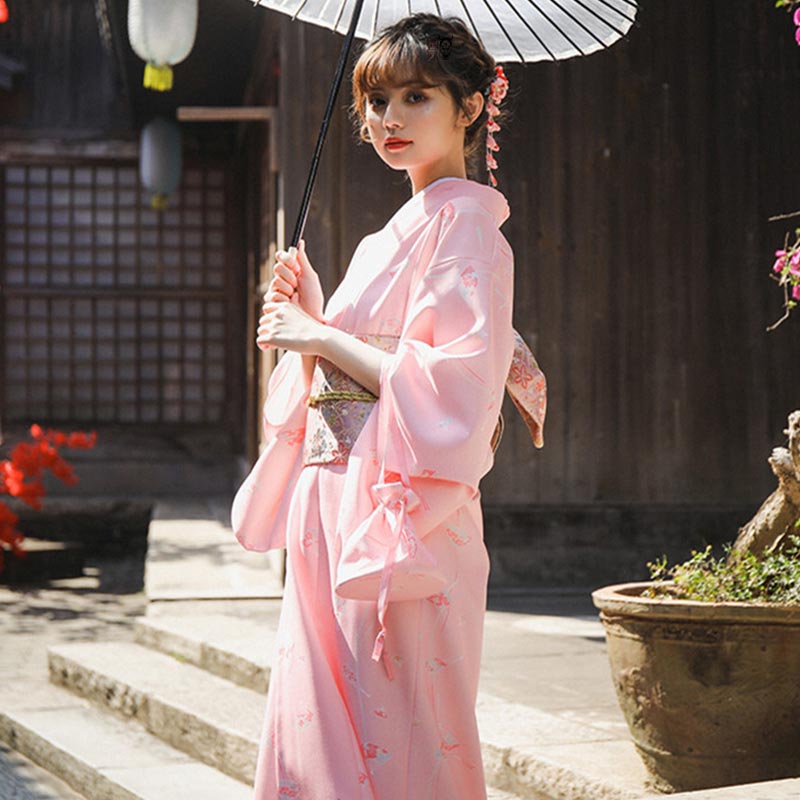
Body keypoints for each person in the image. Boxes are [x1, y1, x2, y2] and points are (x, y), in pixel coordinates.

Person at [231, 12, 546, 799]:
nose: (389, 119)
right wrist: (314, 316)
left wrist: (319, 334)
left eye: (416, 97)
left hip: (400, 512)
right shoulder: (389, 236)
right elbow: (351, 367)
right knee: (323, 721)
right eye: (376, 102)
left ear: (470, 107)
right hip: (333, 500)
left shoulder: (469, 228)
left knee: (405, 727)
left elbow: (454, 389)